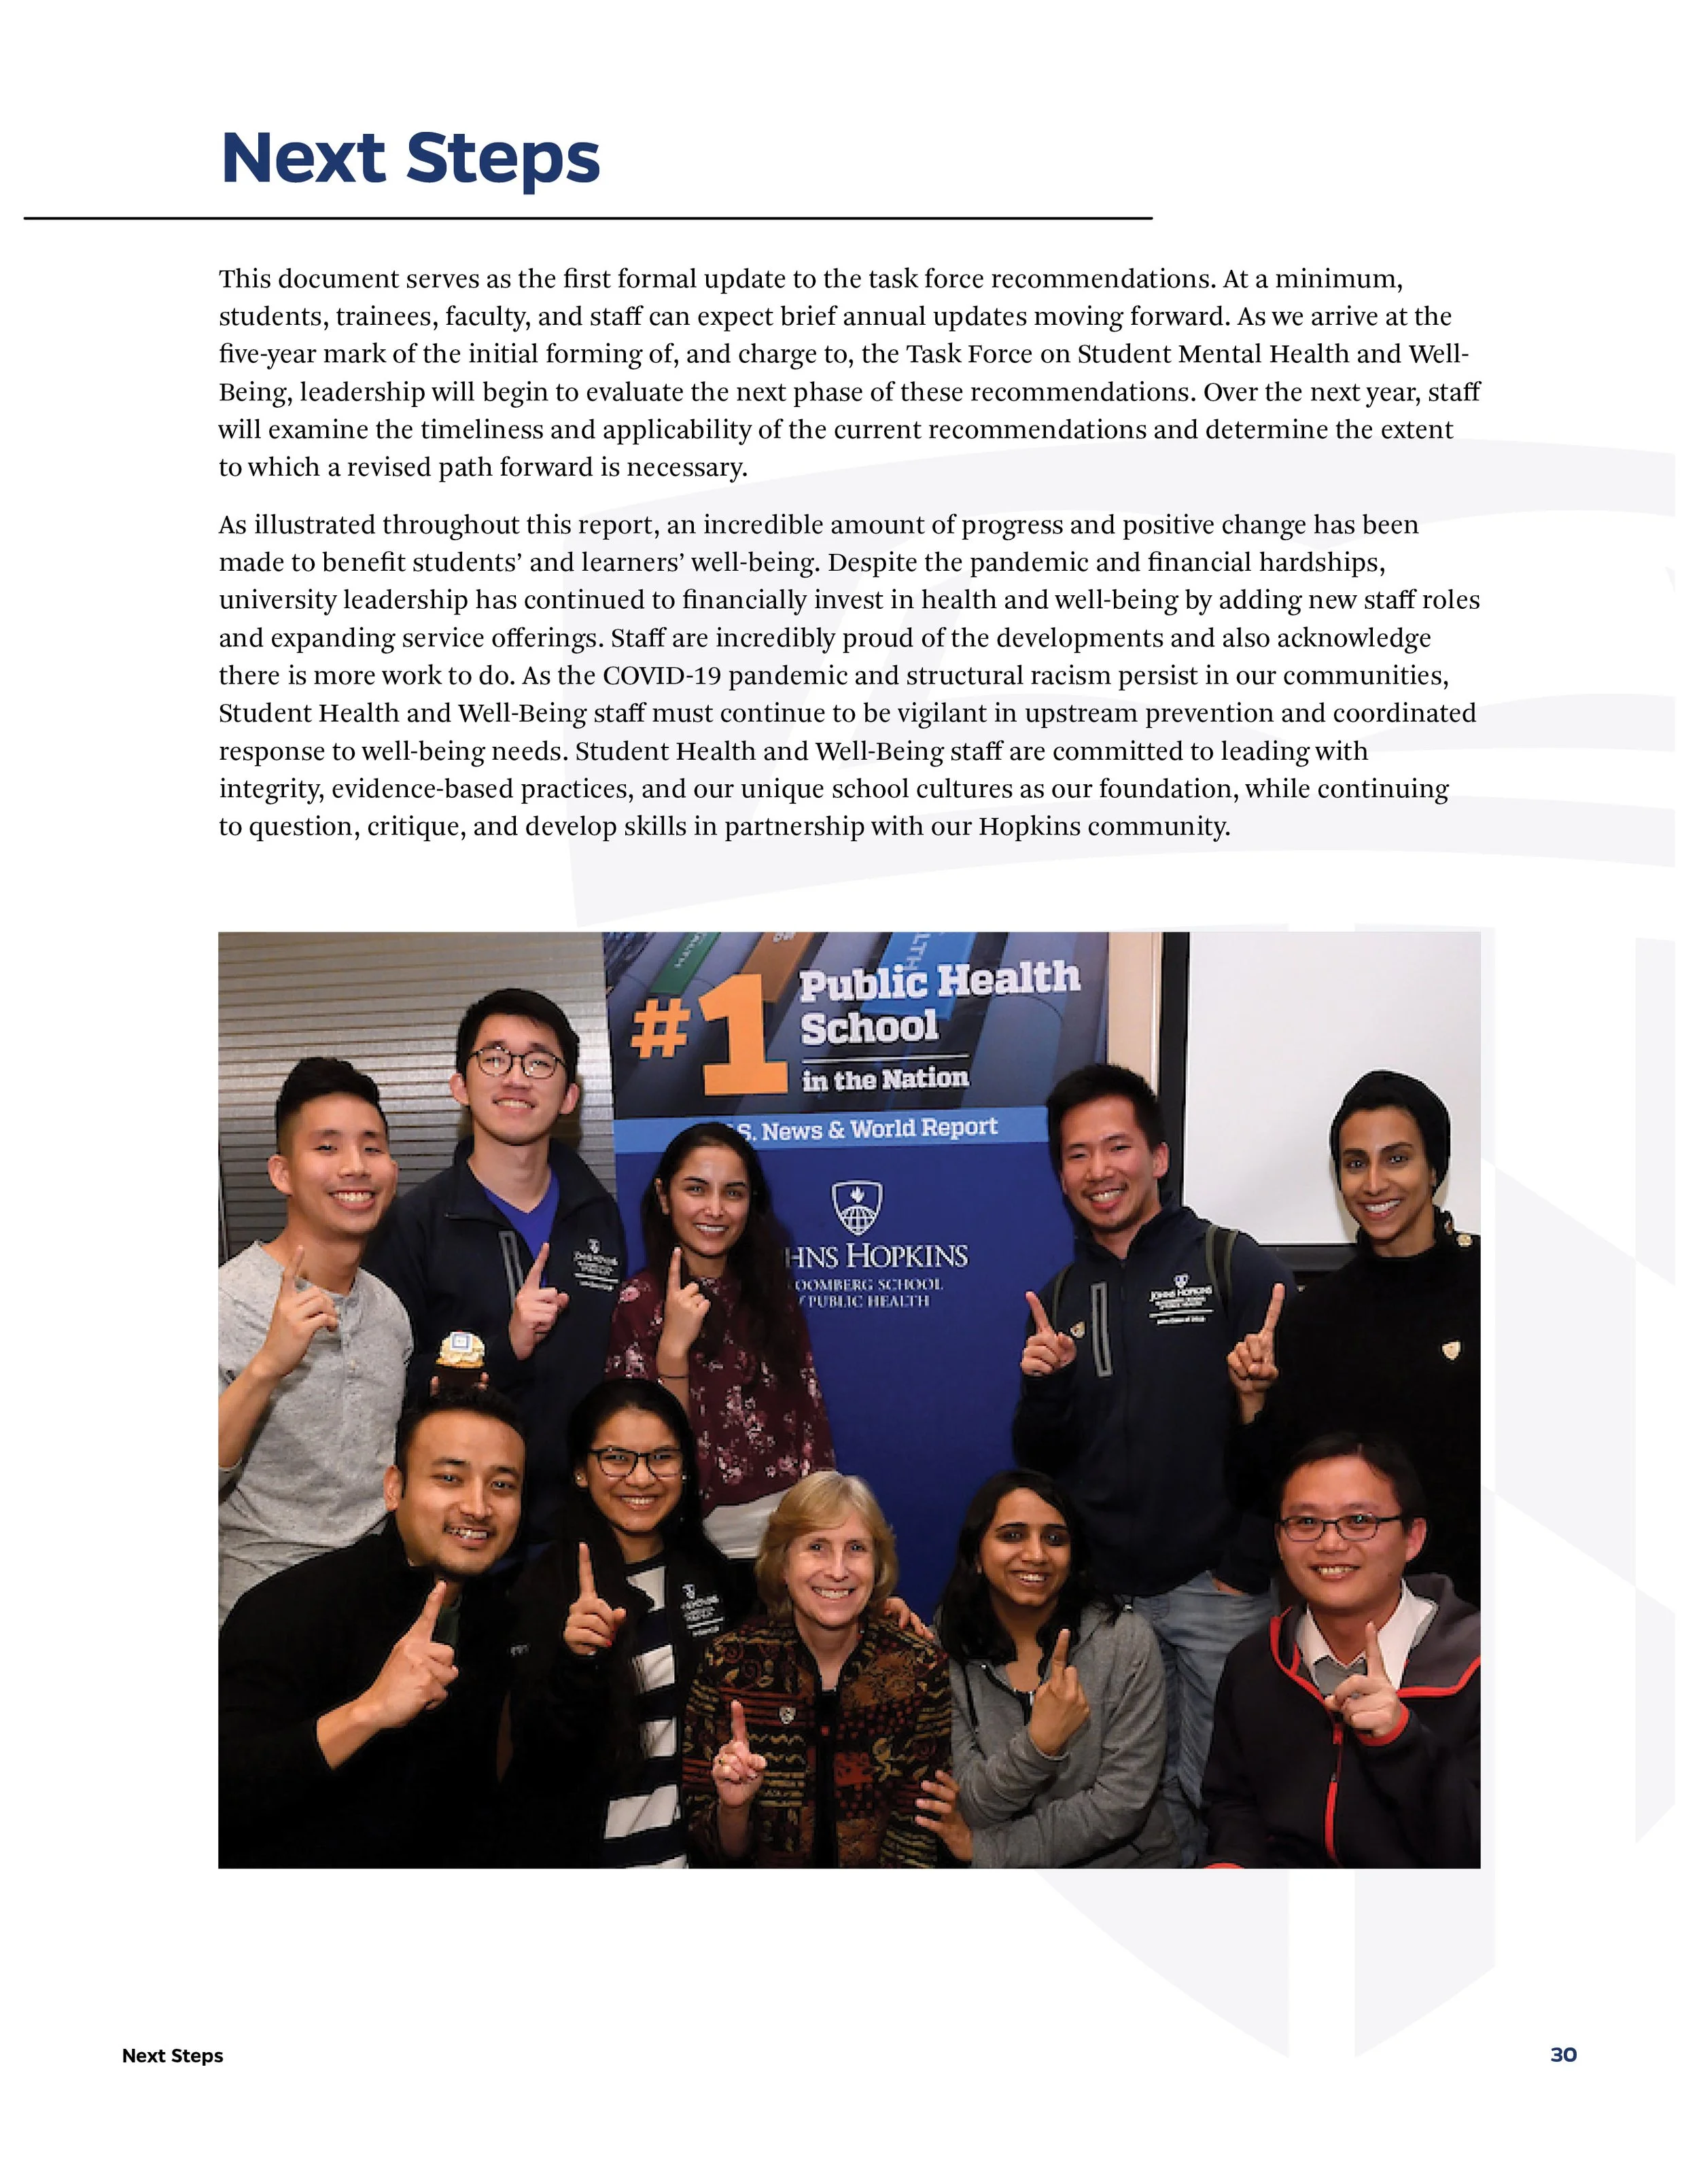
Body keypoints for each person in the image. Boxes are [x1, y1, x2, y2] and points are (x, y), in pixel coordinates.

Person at [1013, 1062, 1291, 1863]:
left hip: (1218, 1593)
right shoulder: (1057, 1297)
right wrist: (1044, 1390)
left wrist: (1242, 1560)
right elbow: (1039, 1461)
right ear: (1060, 1172)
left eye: (1117, 1146)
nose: (1099, 1171)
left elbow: (1302, 1439)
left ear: (1159, 1156)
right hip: (1107, 1605)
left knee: (1227, 1788)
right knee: (1129, 1800)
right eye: (1076, 1155)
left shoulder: (1235, 1266)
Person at [220, 1384, 526, 1867]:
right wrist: (368, 1712)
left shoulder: (499, 1619)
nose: (478, 1506)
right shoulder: (293, 1608)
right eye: (449, 1478)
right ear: (394, 1489)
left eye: (502, 1485)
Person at [366, 986, 624, 1552]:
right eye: (494, 1057)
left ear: (569, 1096)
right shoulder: (414, 1225)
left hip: (585, 1527)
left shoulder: (600, 1215)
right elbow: (387, 1390)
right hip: (465, 1533)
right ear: (461, 1085)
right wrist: (501, 1348)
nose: (515, 1077)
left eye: (538, 1061)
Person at [1228, 1068, 1481, 1603]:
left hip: (1480, 1615)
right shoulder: (1313, 1314)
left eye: (1397, 1158)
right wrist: (1252, 1404)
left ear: (1435, 1167)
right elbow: (1274, 1490)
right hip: (1352, 1618)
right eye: (1355, 1164)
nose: (1372, 1185)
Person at [502, 1378, 752, 1868]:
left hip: (692, 1861)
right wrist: (575, 1662)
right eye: (617, 1457)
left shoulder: (715, 1576)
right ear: (580, 1471)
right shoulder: (542, 1589)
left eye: (662, 1457)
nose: (641, 1478)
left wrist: (876, 1614)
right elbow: (537, 1757)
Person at [1202, 1432, 1480, 1867]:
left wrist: (1401, 1741)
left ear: (1413, 1537)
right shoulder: (1256, 1662)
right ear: (1279, 1539)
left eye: (1358, 1521)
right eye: (1306, 1523)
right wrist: (1232, 1862)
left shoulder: (1477, 1663)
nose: (1330, 1544)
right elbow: (1234, 1803)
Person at [217, 1057, 412, 1623]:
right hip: (257, 1620)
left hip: (373, 1614)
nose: (356, 1167)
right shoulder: (223, 1302)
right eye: (327, 1148)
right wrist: (265, 1369)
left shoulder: (390, 1311)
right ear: (282, 1173)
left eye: (372, 1148)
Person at [682, 1473, 951, 1867]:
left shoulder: (917, 1669)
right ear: (782, 1565)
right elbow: (715, 1851)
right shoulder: (728, 1667)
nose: (838, 1570)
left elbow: (916, 1839)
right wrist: (735, 1808)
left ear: (877, 1566)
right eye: (817, 1547)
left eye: (856, 1548)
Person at [920, 1469, 1178, 1868]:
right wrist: (1039, 1746)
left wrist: (992, 1851)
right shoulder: (941, 1650)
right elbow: (968, 1804)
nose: (1036, 1555)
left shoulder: (1126, 1641)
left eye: (1055, 1539)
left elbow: (1123, 1804)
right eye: (1012, 1535)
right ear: (976, 1555)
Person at [606, 1121, 833, 1560]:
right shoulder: (639, 1302)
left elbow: (811, 1417)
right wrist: (673, 1350)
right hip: (692, 1542)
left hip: (786, 1540)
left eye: (733, 1193)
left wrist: (819, 1533)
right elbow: (642, 1452)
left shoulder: (771, 1294)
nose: (715, 1209)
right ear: (663, 1196)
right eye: (696, 1189)